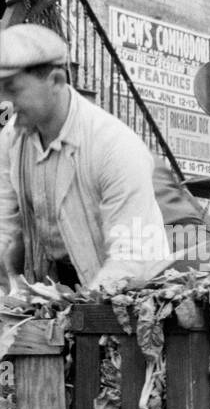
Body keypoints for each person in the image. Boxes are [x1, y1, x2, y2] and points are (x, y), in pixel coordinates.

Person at [0, 24, 169, 291]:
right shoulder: (11, 139)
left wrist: (78, 317)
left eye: (12, 89)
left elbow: (132, 259)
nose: (3, 103)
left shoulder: (115, 146)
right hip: (57, 288)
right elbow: (3, 224)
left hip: (123, 298)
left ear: (56, 81)